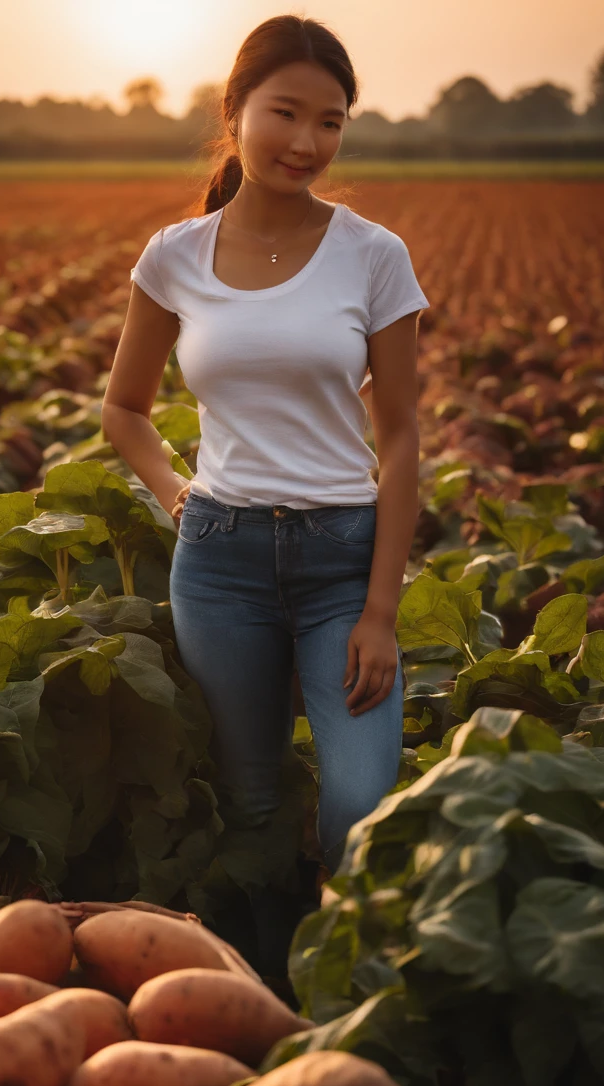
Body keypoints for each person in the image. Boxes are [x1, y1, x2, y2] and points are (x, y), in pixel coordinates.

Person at [102, 15, 429, 965]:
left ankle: (349, 981)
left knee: (360, 808)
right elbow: (124, 410)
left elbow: (402, 436)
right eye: (285, 113)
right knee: (249, 802)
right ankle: (271, 996)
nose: (307, 143)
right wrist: (176, 497)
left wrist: (380, 611)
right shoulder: (173, 255)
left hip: (341, 563)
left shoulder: (374, 255)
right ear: (235, 110)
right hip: (221, 565)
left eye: (331, 123)